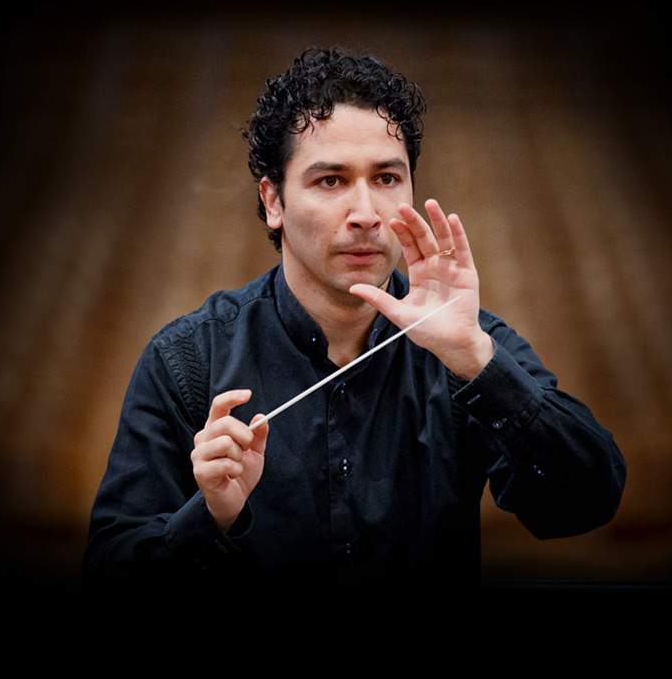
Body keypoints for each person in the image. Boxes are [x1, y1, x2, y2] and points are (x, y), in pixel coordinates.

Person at [83, 47, 626, 593]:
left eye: (387, 178)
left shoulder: (465, 344)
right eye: (331, 181)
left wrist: (477, 363)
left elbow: (587, 503)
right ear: (273, 201)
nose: (366, 214)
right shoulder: (188, 360)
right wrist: (210, 518)